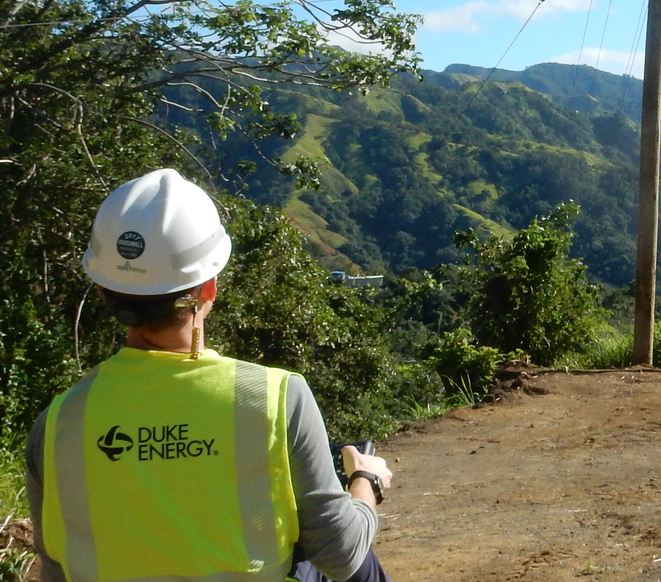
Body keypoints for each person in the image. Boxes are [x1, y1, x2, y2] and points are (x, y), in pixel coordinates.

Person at [26, 168, 395, 582]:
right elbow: (341, 555)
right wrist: (366, 482)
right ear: (208, 289)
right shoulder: (277, 396)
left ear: (102, 290)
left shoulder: (56, 423)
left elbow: (56, 568)